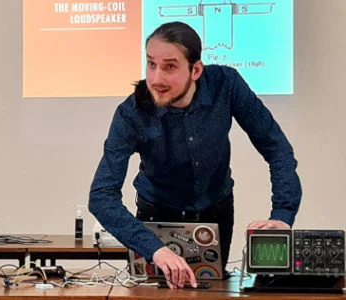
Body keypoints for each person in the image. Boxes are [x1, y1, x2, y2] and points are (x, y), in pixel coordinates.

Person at [89, 21, 302, 289]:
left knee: (212, 292)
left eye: (170, 66)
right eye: (151, 64)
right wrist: (154, 248)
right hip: (156, 217)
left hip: (216, 211)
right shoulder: (130, 113)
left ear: (196, 70)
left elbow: (276, 146)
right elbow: (101, 197)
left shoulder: (226, 84)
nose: (156, 79)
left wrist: (282, 215)